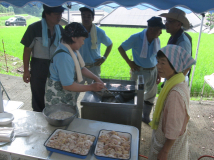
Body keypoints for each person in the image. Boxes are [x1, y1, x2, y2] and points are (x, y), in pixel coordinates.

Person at [45, 22, 105, 116]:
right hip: (58, 101)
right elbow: (68, 85)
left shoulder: (70, 50)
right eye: (82, 39)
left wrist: (96, 78)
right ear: (73, 38)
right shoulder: (64, 56)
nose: (83, 43)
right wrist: (91, 87)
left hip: (66, 99)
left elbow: (80, 68)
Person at [148, 45, 196, 160]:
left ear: (175, 65)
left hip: (169, 152)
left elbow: (174, 128)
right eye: (158, 61)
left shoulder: (175, 94)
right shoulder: (179, 80)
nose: (158, 66)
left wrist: (164, 152)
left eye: (163, 63)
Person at [118, 17, 165, 124]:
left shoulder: (157, 40)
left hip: (153, 71)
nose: (161, 32)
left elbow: (157, 57)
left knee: (151, 95)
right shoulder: (136, 38)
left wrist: (158, 73)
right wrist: (130, 63)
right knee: (135, 94)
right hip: (139, 71)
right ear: (151, 29)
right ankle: (132, 117)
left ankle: (146, 117)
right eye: (159, 29)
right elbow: (121, 48)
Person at [21, 4, 65, 112]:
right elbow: (27, 50)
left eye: (60, 14)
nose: (59, 17)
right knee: (38, 95)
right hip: (38, 67)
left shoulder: (59, 28)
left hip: (55, 67)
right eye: (56, 14)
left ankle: (52, 117)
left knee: (54, 94)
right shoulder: (34, 28)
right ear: (47, 14)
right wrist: (26, 71)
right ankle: (38, 118)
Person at [79, 6, 113, 84]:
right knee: (77, 91)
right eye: (83, 16)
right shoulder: (77, 31)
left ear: (93, 18)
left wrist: (104, 57)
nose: (86, 19)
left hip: (94, 66)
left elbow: (110, 44)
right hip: (79, 67)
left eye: (89, 16)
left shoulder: (99, 32)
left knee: (95, 91)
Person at [159, 8, 192, 82]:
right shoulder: (173, 38)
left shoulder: (182, 42)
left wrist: (175, 82)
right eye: (166, 21)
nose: (166, 24)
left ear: (178, 24)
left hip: (177, 81)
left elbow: (187, 66)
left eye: (169, 21)